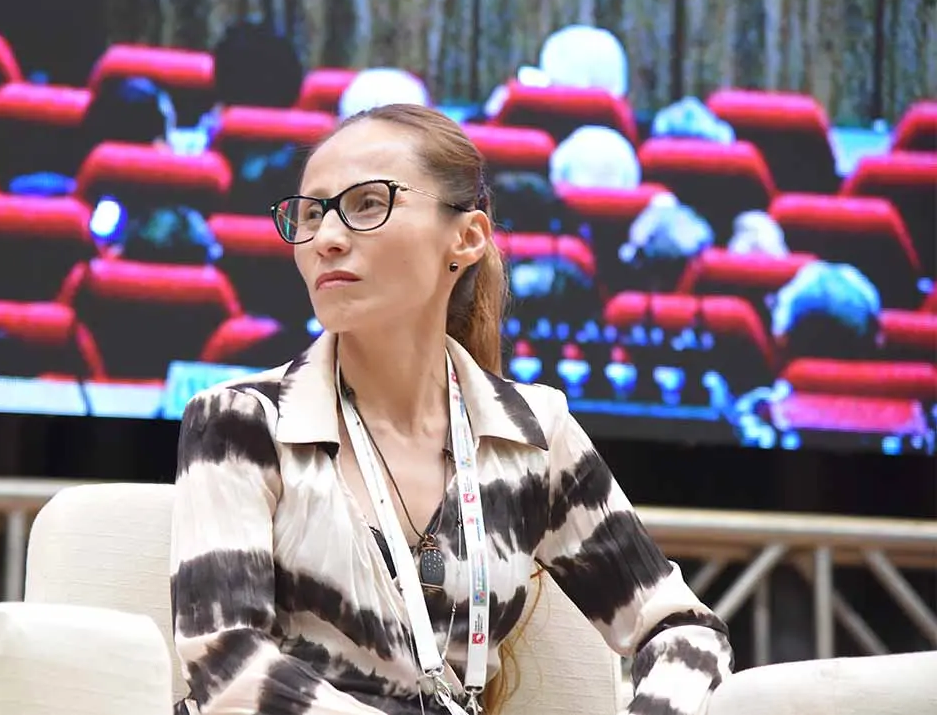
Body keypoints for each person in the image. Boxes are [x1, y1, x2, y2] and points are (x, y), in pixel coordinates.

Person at [170, 104, 732, 715]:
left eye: (367, 204)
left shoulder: (531, 430)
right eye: (310, 214)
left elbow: (684, 631)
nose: (326, 238)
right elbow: (228, 667)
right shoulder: (242, 420)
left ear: (465, 238)